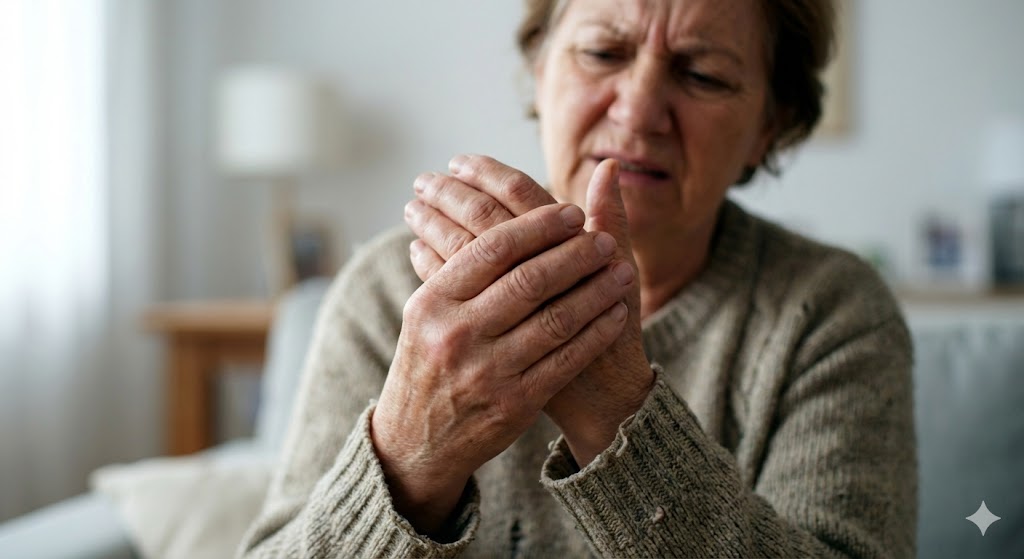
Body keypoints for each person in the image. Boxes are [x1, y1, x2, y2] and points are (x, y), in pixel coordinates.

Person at [239, 0, 917, 557]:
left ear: (770, 126)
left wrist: (618, 410)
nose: (638, 108)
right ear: (538, 70)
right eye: (603, 53)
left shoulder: (830, 311)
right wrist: (412, 458)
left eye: (703, 74)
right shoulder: (392, 290)